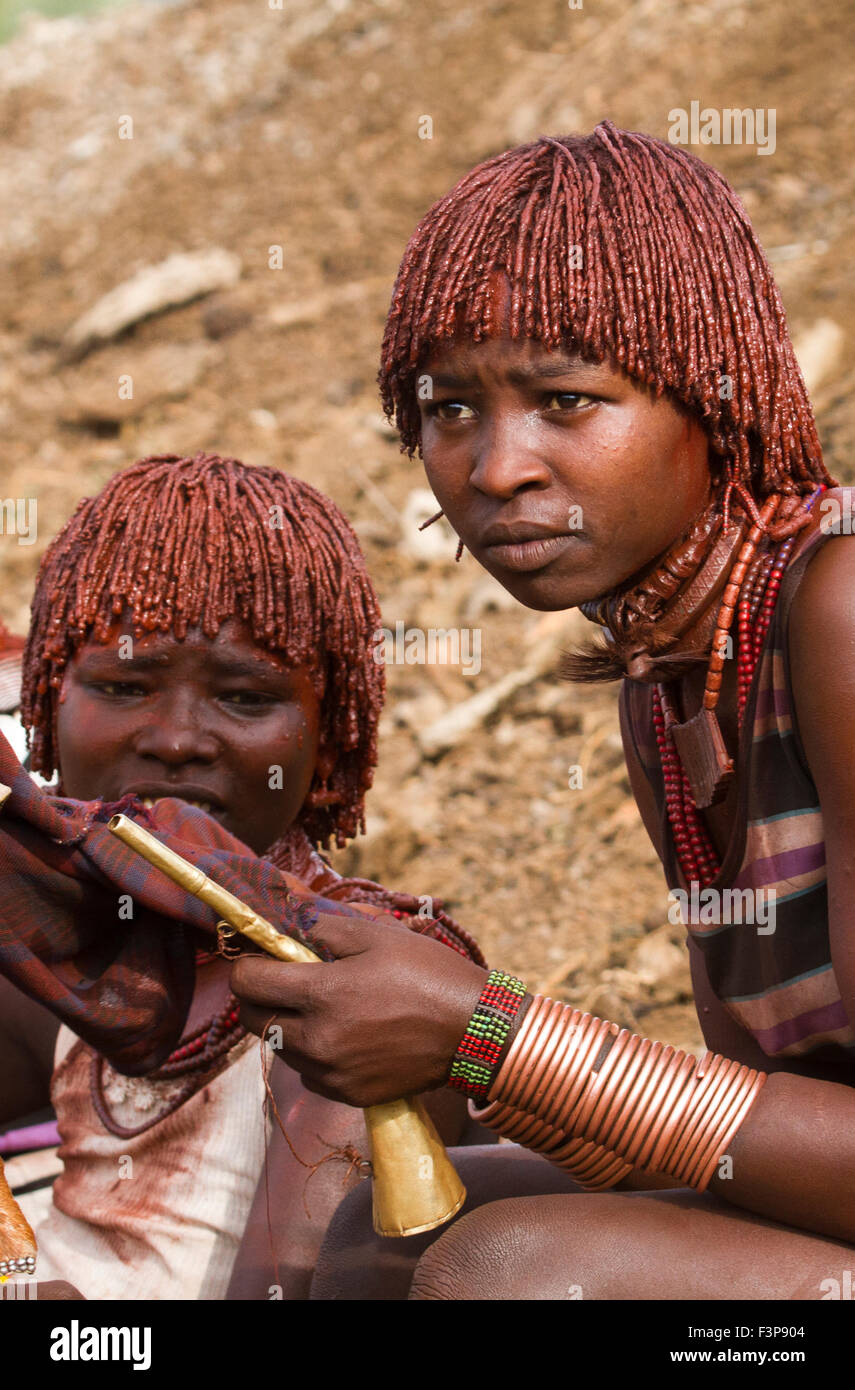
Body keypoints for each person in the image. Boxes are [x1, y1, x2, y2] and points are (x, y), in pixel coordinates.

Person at [231, 122, 855, 1300]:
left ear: (711, 398)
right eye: (451, 409)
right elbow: (748, 1148)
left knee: (516, 1276)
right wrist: (462, 1042)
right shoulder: (675, 670)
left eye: (567, 400)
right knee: (375, 1241)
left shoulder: (840, 612)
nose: (495, 465)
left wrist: (492, 1036)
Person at [0, 451, 484, 1301]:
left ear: (330, 735)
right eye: (122, 684)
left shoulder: (361, 989)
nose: (178, 739)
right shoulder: (87, 934)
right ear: (44, 706)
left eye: (246, 699)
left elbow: (297, 1290)